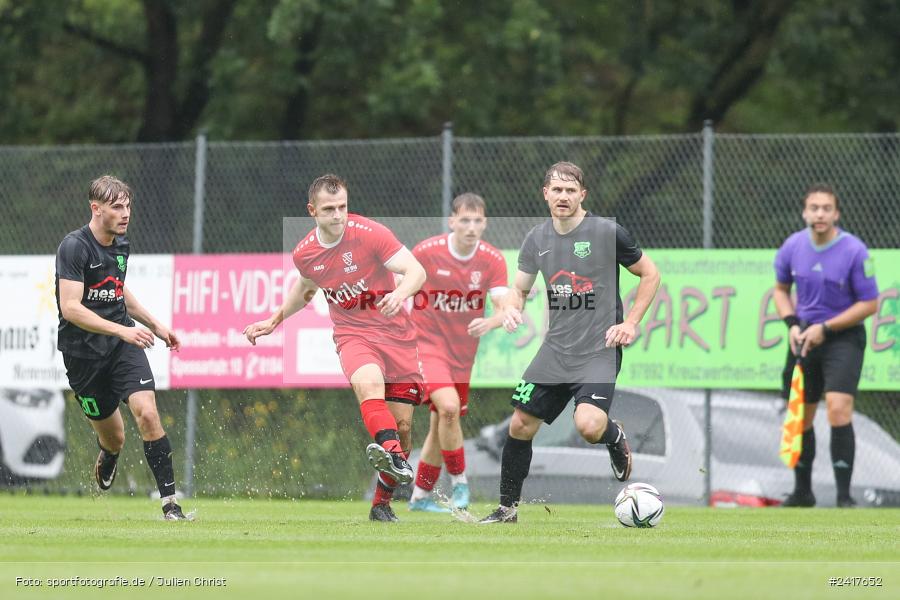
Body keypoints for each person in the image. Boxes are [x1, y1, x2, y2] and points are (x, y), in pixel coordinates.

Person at [480, 161, 660, 524]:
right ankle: (507, 510)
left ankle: (613, 435)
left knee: (589, 426)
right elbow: (520, 289)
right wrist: (512, 309)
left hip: (598, 350)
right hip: (555, 350)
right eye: (557, 190)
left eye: (570, 190)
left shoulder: (607, 232)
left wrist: (630, 323)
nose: (563, 196)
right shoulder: (536, 239)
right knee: (520, 424)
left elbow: (650, 273)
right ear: (545, 194)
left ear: (582, 195)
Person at [244, 174, 427, 522]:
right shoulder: (305, 254)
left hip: (396, 336)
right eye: (329, 209)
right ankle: (393, 455)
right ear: (312, 211)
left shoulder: (371, 233)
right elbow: (306, 289)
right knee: (369, 386)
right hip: (353, 334)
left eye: (342, 206)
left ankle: (381, 504)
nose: (338, 215)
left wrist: (400, 294)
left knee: (403, 427)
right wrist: (274, 320)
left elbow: (416, 271)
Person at [55, 175, 187, 520]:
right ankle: (109, 453)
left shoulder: (120, 245)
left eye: (128, 206)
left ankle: (170, 505)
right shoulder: (74, 247)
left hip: (120, 347)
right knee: (115, 438)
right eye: (117, 207)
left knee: (148, 412)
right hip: (83, 357)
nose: (126, 213)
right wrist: (122, 331)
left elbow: (118, 290)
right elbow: (71, 308)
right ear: (96, 209)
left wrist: (155, 325)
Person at [773, 184, 879, 508]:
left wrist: (827, 328)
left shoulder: (855, 251)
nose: (820, 214)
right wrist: (792, 324)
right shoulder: (792, 246)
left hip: (843, 337)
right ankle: (802, 492)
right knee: (800, 413)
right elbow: (780, 290)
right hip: (805, 336)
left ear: (836, 214)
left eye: (826, 208)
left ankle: (844, 497)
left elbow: (870, 303)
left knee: (837, 407)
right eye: (814, 208)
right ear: (805, 212)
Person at [407, 193, 509, 513]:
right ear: (452, 222)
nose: (471, 227)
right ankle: (460, 483)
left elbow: (503, 306)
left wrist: (491, 322)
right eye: (465, 220)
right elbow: (401, 281)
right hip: (426, 343)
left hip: (463, 354)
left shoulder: (492, 259)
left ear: (485, 223)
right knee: (449, 408)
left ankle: (420, 497)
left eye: (477, 221)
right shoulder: (427, 252)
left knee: (442, 422)